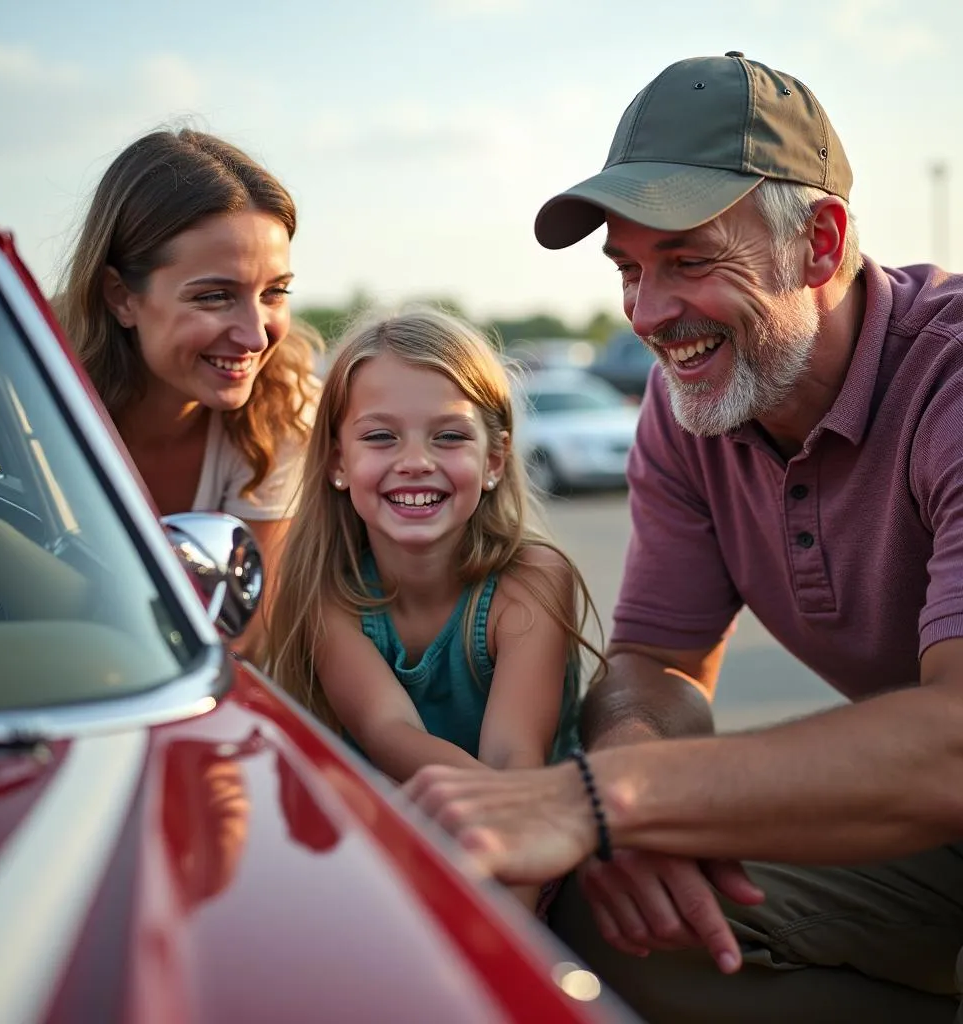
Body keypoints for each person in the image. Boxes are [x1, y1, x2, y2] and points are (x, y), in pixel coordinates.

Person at [405, 52, 963, 1022]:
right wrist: (633, 797)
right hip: (927, 829)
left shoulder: (948, 380)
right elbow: (659, 662)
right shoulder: (689, 411)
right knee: (609, 914)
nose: (647, 316)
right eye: (629, 269)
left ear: (819, 243)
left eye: (689, 261)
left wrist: (593, 799)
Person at [265, 305, 604, 908]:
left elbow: (512, 760)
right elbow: (389, 732)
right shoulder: (323, 587)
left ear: (495, 461)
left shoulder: (532, 579)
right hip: (391, 853)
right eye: (379, 436)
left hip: (538, 859)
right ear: (339, 462)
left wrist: (512, 908)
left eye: (449, 435)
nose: (416, 460)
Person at [0, 128, 318, 656]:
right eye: (214, 296)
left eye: (275, 292)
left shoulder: (284, 410)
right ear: (121, 296)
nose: (256, 335)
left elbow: (243, 633)